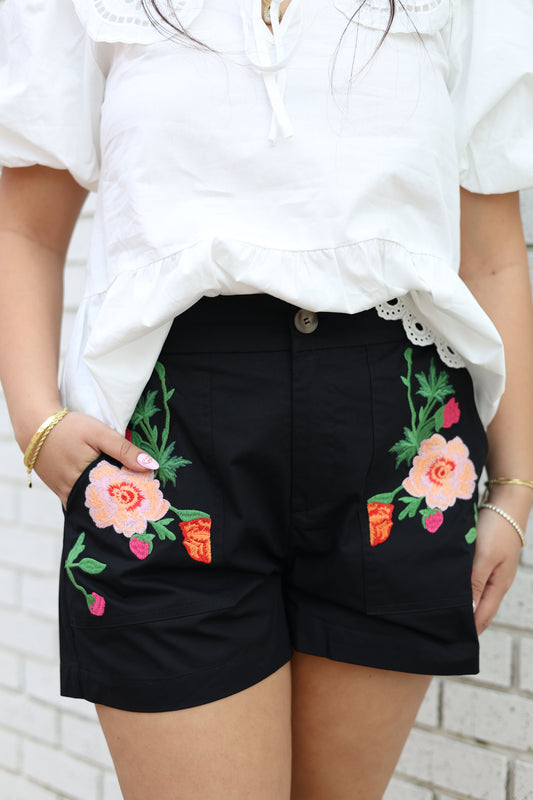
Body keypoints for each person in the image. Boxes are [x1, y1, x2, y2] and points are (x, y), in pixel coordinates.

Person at [1, 0, 533, 797]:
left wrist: (514, 488)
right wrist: (34, 417)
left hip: (401, 442)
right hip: (167, 445)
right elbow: (26, 225)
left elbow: (491, 249)